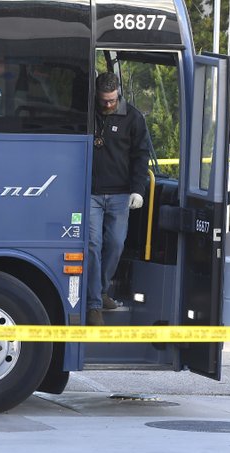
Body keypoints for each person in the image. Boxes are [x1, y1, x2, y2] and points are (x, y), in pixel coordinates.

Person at [86, 72, 150, 326]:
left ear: (118, 94)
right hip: (90, 193)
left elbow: (141, 155)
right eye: (104, 101)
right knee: (92, 244)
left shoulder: (133, 117)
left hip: (120, 193)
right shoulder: (87, 113)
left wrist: (138, 190)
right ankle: (93, 305)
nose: (108, 105)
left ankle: (100, 290)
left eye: (112, 100)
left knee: (115, 244)